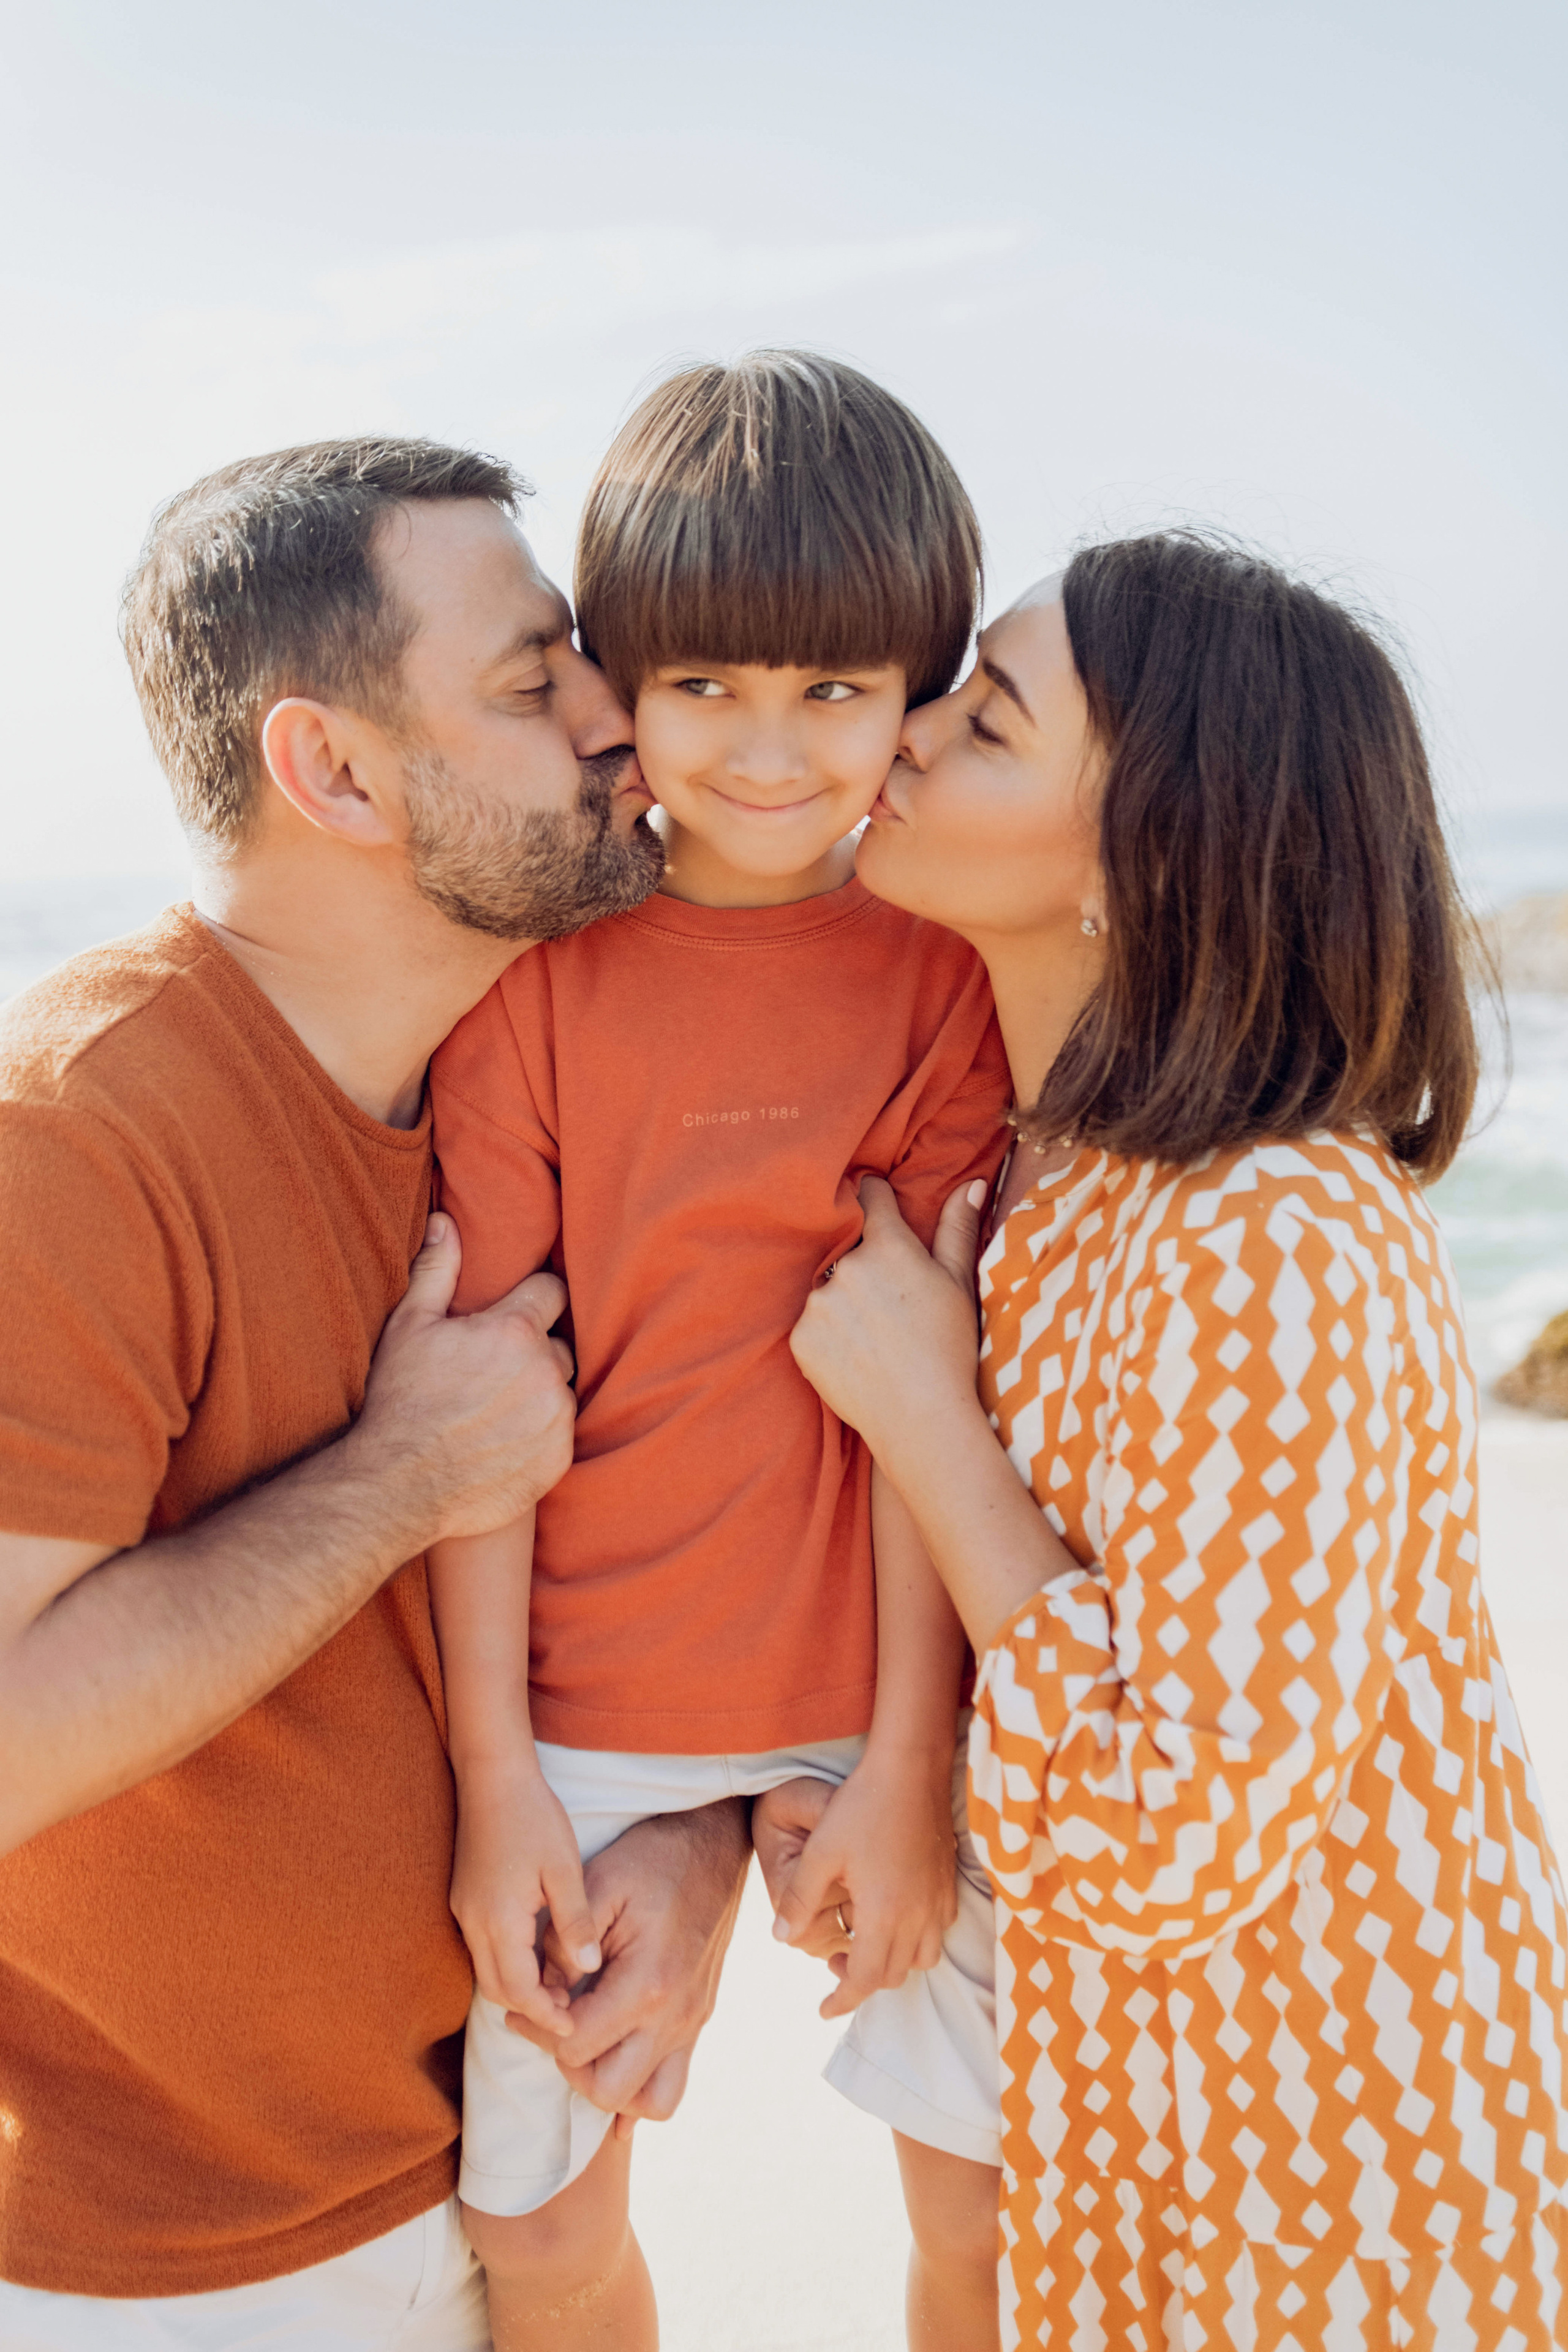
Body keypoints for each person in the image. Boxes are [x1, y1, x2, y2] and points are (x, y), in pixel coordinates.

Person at [0, 437, 752, 2349]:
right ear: (329, 768)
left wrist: (702, 1838)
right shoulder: (77, 1135)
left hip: (490, 2173)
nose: (620, 722)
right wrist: (398, 1474)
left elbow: (696, 1544)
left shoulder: (552, 1087)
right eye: (532, 683)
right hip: (157, 2275)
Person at [786, 533, 1568, 2350]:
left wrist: (931, 1423)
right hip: (1142, 2121)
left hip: (1337, 2164)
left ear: (1146, 866)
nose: (900, 734)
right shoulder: (1045, 1177)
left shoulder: (1274, 1223)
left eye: (985, 722)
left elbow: (1170, 1829)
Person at [424, 353, 1013, 2351]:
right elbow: (482, 1421)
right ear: (624, 682)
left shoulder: (949, 983)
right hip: (586, 1698)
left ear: (919, 694)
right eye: (711, 689)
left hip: (881, 1685)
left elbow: (939, 1404)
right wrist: (502, 1781)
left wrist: (915, 1758)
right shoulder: (530, 996)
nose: (770, 753)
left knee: (992, 2211)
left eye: (837, 693)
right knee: (541, 2229)